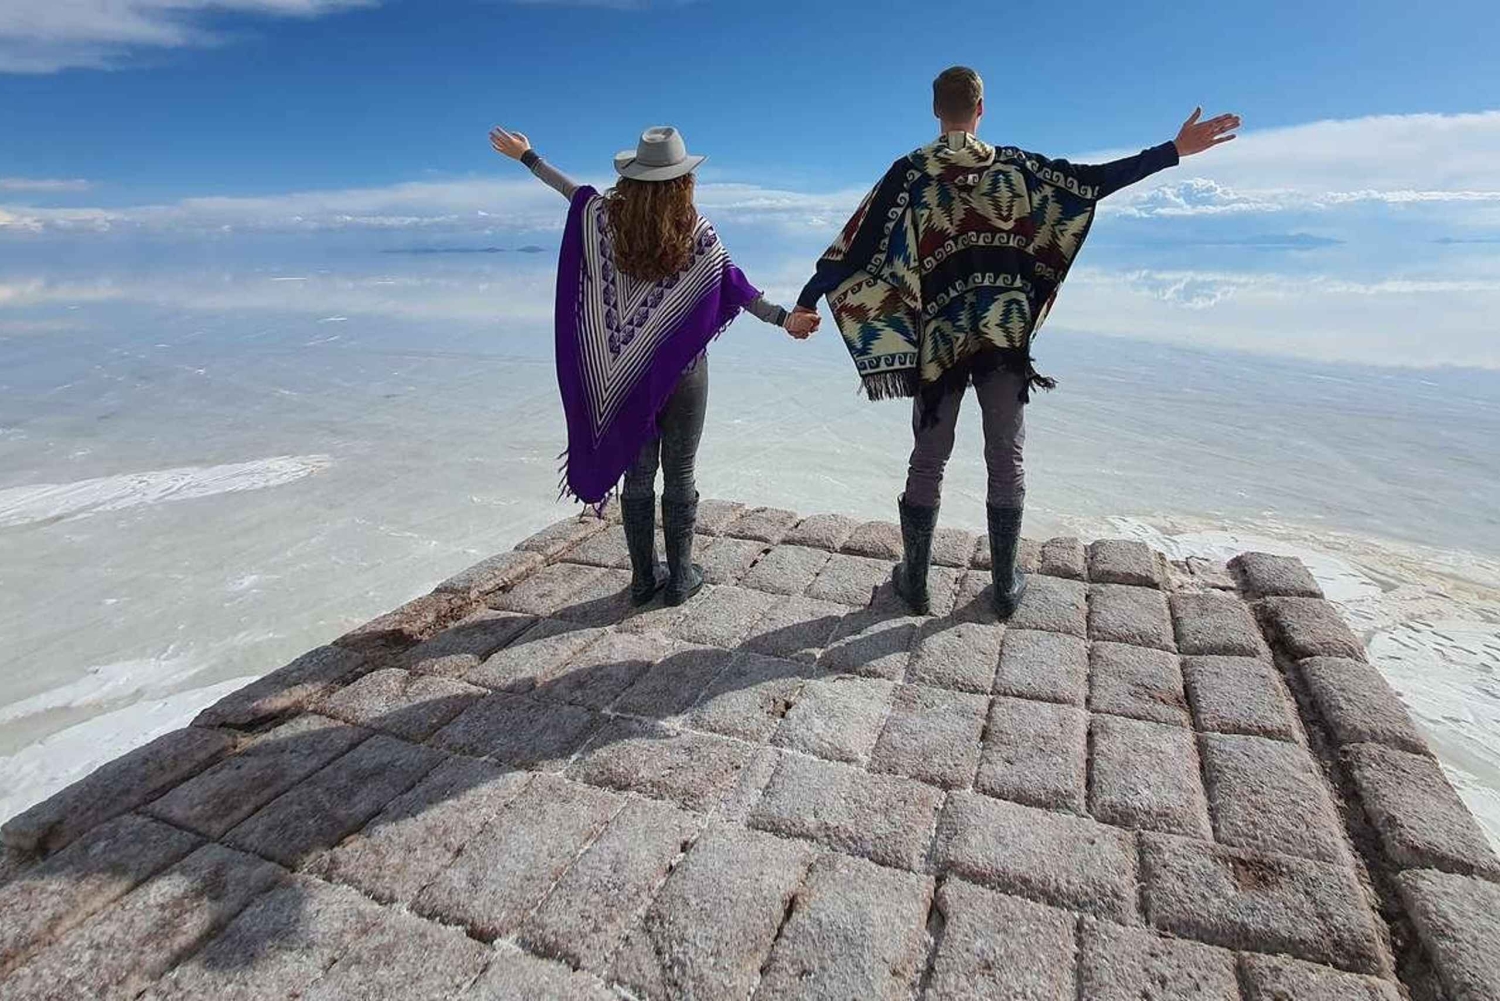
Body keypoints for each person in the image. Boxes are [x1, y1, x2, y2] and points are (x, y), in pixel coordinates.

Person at [793, 67, 1239, 617]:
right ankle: (1004, 587)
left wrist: (809, 298)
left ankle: (916, 581)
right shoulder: (1017, 167)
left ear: (936, 110)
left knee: (929, 456)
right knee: (1006, 455)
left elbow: (857, 252)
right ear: (982, 109)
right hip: (1004, 336)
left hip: (943, 344)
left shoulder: (909, 174)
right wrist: (1173, 150)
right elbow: (1092, 181)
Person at [491, 125, 818, 607]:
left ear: (634, 174)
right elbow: (735, 286)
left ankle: (644, 579)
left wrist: (527, 156)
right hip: (683, 371)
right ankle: (681, 578)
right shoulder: (693, 229)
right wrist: (784, 319)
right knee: (680, 472)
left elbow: (569, 191)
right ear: (683, 178)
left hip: (623, 378)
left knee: (638, 476)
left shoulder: (601, 217)